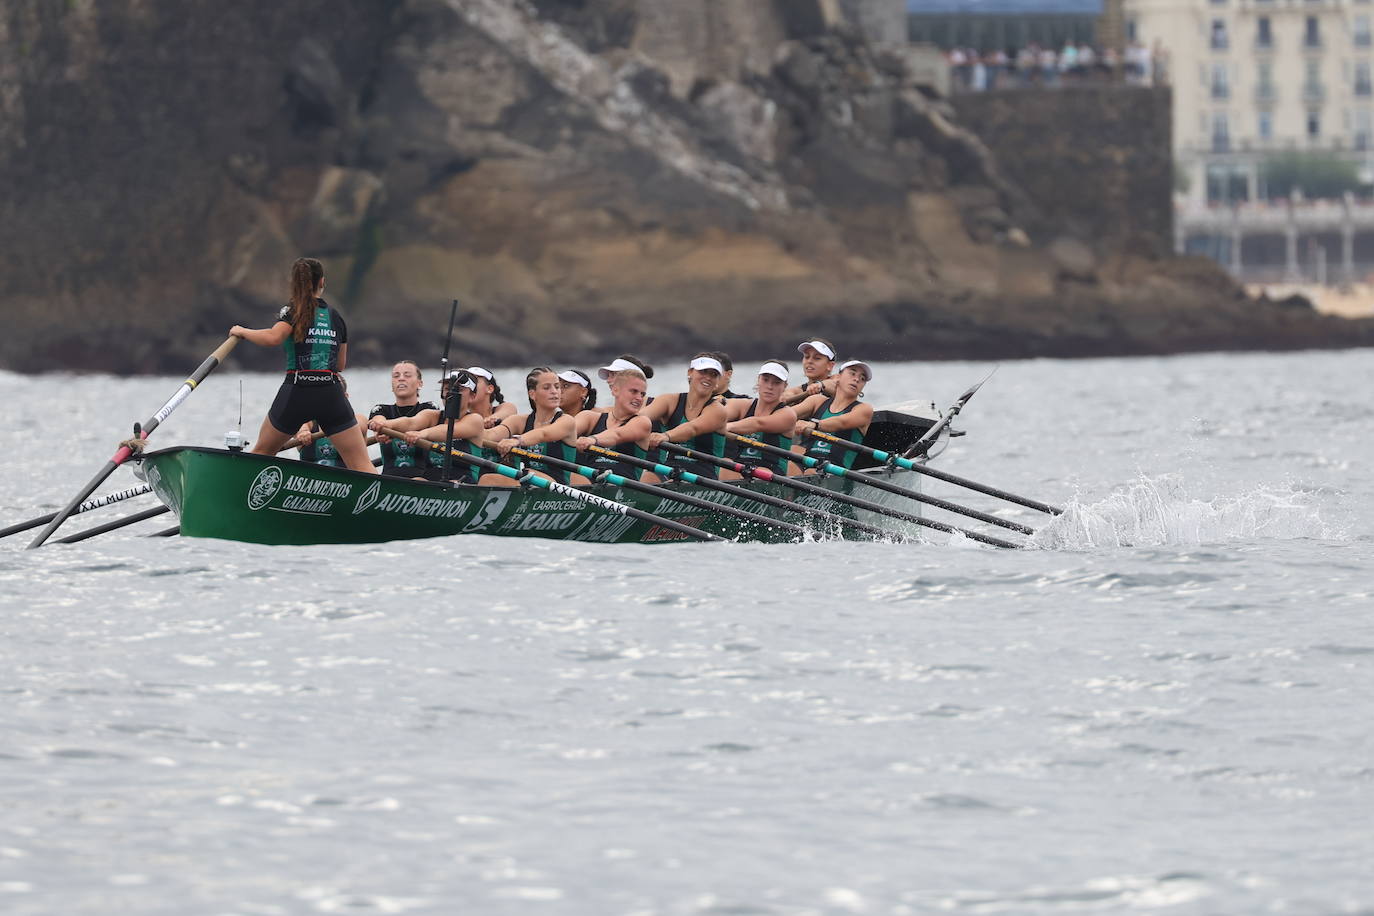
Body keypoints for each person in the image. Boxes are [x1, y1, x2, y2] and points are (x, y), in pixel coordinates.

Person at [229, 257, 377, 474]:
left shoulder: (291, 311)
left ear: (294, 283)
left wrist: (242, 331)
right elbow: (340, 365)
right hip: (330, 394)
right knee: (361, 464)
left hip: (297, 392)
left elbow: (273, 338)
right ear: (322, 282)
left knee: (261, 454)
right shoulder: (336, 317)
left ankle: (236, 495)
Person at [488, 367, 589, 486]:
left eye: (557, 387)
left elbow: (543, 434)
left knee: (527, 474)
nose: (554, 391)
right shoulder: (519, 421)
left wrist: (516, 441)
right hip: (526, 481)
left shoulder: (566, 421)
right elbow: (491, 435)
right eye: (547, 388)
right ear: (532, 394)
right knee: (488, 478)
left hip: (557, 488)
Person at [640, 354, 729, 480]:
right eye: (703, 371)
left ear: (717, 383)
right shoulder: (669, 400)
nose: (708, 377)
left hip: (703, 476)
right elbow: (640, 418)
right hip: (671, 469)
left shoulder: (717, 410)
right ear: (690, 372)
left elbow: (693, 428)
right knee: (648, 476)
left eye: (713, 375)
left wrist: (665, 436)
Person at [575, 363, 661, 483]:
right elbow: (566, 431)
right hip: (590, 485)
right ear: (615, 390)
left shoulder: (642, 422)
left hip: (623, 491)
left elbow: (617, 435)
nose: (639, 398)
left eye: (642, 394)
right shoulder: (590, 417)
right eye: (634, 392)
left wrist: (592, 440)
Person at [720, 360, 799, 480]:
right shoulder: (742, 405)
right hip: (740, 466)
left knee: (760, 472)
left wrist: (725, 427)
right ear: (758, 380)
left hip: (770, 471)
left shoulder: (788, 414)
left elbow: (757, 423)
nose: (770, 386)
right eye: (765, 380)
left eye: (776, 383)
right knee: (724, 464)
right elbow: (717, 415)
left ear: (785, 386)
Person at [792, 360, 875, 472]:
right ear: (838, 377)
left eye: (862, 378)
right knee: (789, 460)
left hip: (835, 470)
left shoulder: (864, 409)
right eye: (852, 373)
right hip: (808, 461)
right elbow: (787, 415)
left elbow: (841, 422)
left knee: (810, 472)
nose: (857, 379)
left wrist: (813, 424)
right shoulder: (817, 401)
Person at [367, 360, 439, 478]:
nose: (401, 379)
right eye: (396, 376)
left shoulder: (430, 408)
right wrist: (378, 427)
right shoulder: (380, 409)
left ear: (420, 384)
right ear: (392, 385)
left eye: (407, 375)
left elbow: (414, 423)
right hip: (388, 479)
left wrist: (386, 427)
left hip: (424, 480)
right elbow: (377, 420)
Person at [782, 338, 838, 403]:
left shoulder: (839, 384)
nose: (809, 361)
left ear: (830, 365)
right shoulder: (795, 391)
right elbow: (788, 394)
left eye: (817, 358)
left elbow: (834, 383)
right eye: (807, 357)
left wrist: (819, 385)